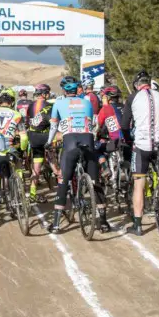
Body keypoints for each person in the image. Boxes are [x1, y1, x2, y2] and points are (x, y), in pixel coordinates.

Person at [47, 75, 108, 232]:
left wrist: (49, 142)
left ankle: (55, 224)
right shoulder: (87, 102)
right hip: (87, 141)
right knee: (95, 181)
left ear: (63, 90)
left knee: (63, 180)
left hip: (70, 142)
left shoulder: (59, 103)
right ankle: (103, 222)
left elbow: (53, 127)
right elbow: (93, 123)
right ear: (77, 89)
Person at [120, 70, 159, 236]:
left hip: (141, 146)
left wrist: (128, 141)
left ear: (136, 84)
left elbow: (125, 125)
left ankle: (138, 225)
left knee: (139, 184)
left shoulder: (133, 97)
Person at [0, 88, 28, 226]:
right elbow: (24, 137)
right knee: (17, 167)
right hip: (11, 151)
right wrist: (24, 150)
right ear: (12, 102)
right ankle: (19, 186)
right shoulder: (17, 114)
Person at [25, 83, 57, 203]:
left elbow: (28, 122)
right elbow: (53, 123)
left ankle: (33, 193)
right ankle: (61, 190)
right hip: (46, 137)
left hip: (33, 137)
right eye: (47, 93)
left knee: (36, 168)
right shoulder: (49, 106)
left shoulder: (31, 105)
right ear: (44, 94)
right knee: (55, 166)